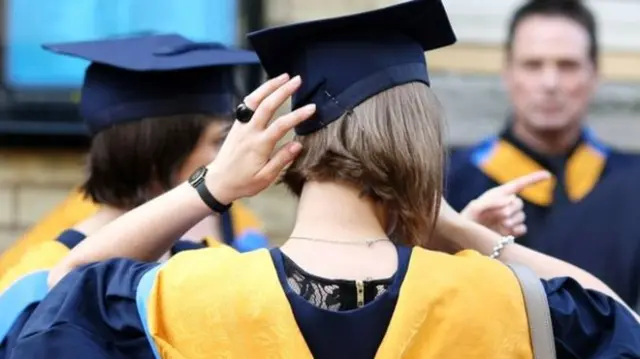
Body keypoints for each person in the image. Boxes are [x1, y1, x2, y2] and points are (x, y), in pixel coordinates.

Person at [10, 2, 640, 358]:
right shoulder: (503, 301)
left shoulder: (178, 295)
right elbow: (617, 319)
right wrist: (447, 222)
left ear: (286, 147)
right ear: (421, 147)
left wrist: (209, 189)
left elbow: (59, 291)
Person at [0, 33, 268, 358]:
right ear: (159, 155)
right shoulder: (36, 280)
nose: (226, 158)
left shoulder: (213, 255)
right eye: (216, 142)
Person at [444, 0, 640, 302]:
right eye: (533, 65)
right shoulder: (449, 181)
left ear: (594, 73)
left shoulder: (632, 184)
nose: (550, 83)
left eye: (568, 65)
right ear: (508, 73)